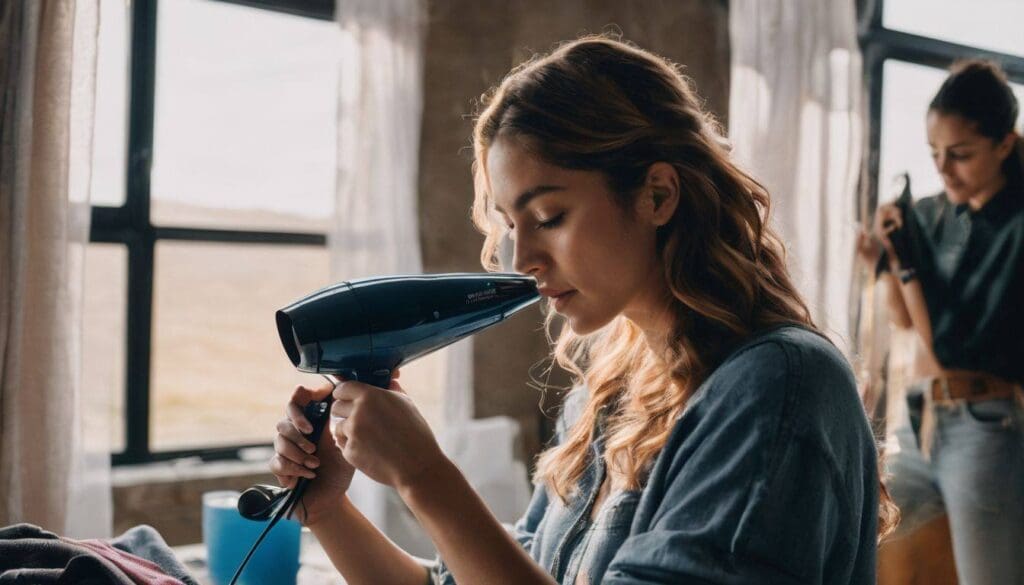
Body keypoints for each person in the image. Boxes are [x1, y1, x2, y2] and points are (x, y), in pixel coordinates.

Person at [271, 36, 895, 584]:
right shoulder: (609, 394)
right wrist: (326, 511)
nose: (523, 259)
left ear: (656, 194)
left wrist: (425, 478)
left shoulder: (778, 388)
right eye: (512, 225)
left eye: (549, 218)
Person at [860, 60, 1024, 583]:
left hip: (987, 428)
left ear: (1004, 143)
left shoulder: (1018, 225)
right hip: (919, 422)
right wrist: (884, 266)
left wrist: (908, 264)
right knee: (857, 542)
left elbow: (951, 343)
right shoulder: (935, 214)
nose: (944, 170)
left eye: (960, 155)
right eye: (934, 154)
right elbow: (905, 322)